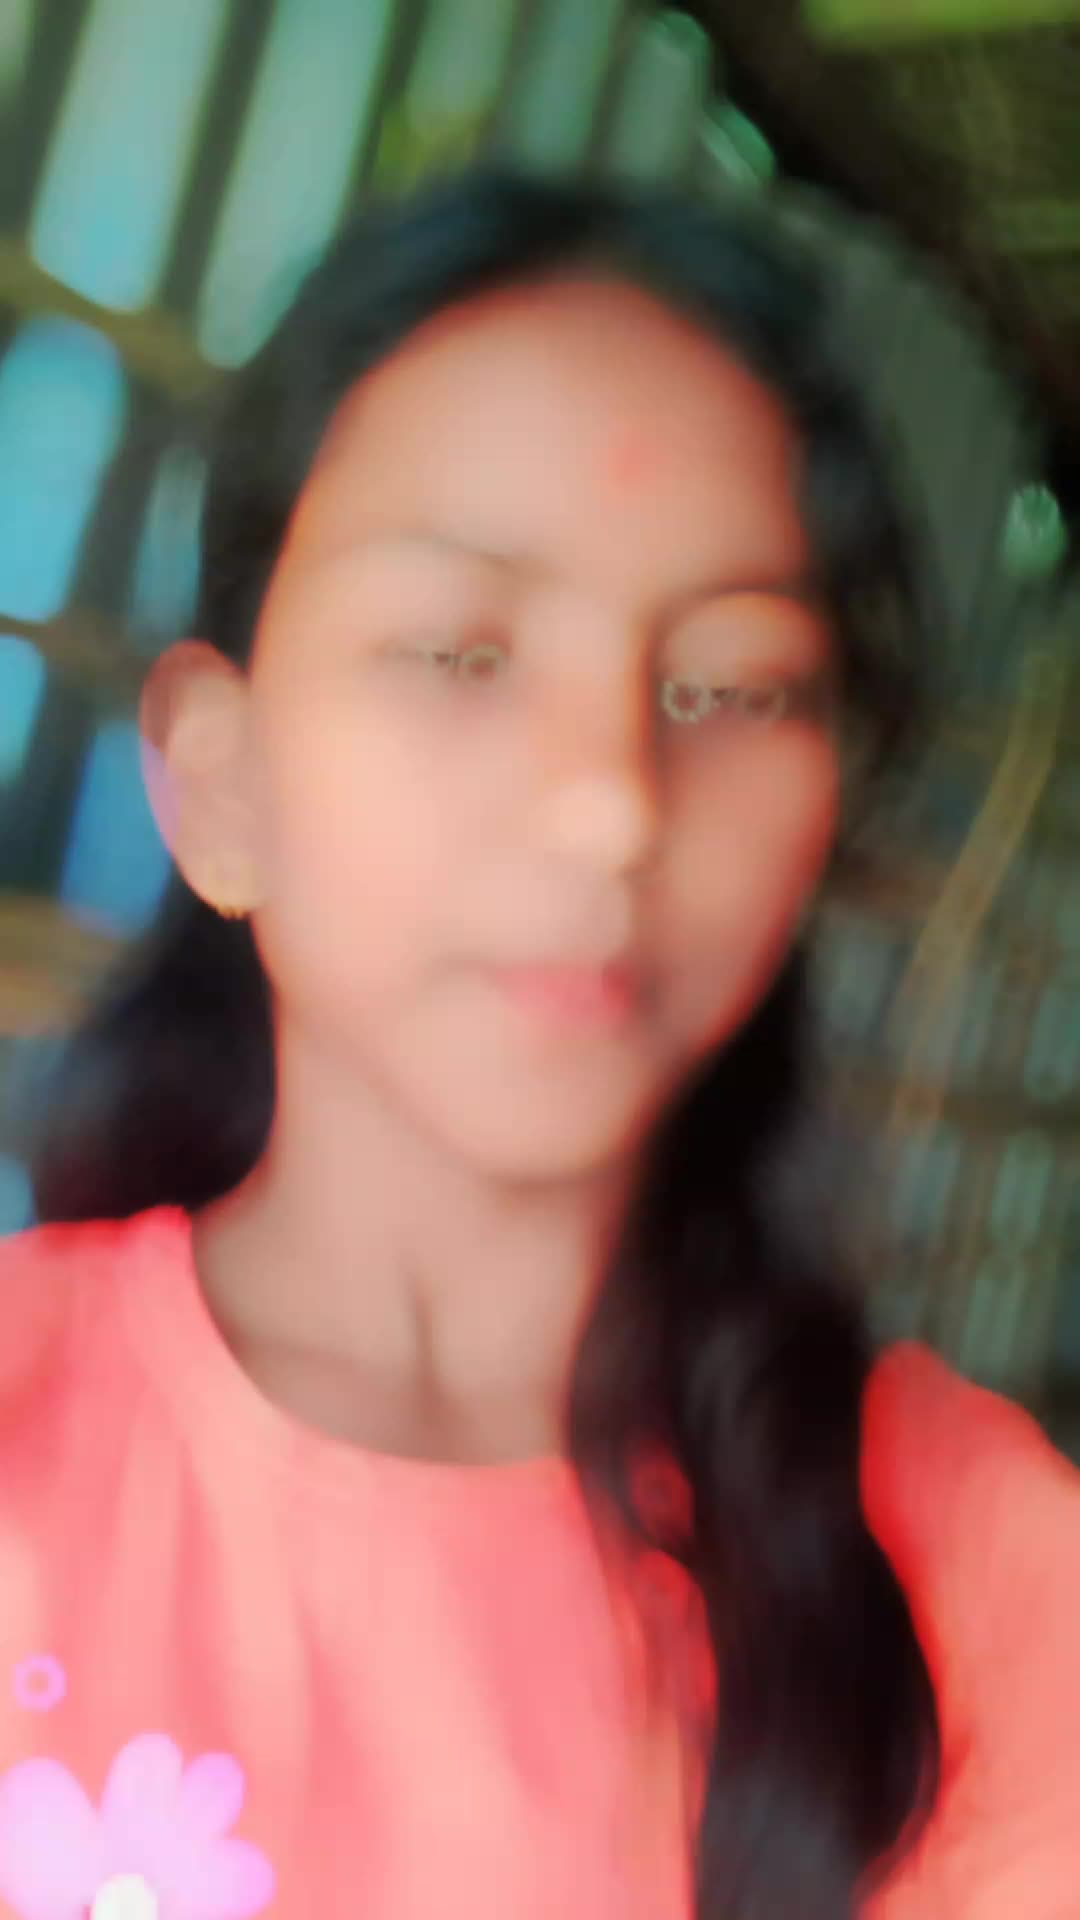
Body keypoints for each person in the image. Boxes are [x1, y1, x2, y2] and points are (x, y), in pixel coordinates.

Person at [1, 168, 1077, 1920]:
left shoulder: (991, 1584)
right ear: (220, 775)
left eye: (732, 685)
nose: (609, 803)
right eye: (459, 652)